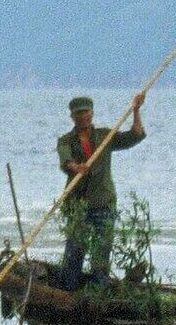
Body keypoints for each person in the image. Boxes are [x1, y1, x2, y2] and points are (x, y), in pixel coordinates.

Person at [56, 91, 146, 290]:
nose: (83, 116)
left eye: (86, 112)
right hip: (77, 205)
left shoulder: (105, 136)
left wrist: (136, 110)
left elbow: (135, 136)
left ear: (92, 113)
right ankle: (69, 291)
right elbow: (65, 160)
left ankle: (99, 293)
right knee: (74, 253)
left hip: (103, 203)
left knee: (101, 255)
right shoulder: (66, 141)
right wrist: (76, 167)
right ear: (72, 117)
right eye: (79, 113)